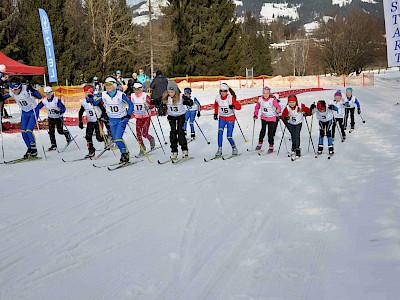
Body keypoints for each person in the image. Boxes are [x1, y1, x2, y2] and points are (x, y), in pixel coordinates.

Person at [93, 76, 134, 163]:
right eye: (106, 85)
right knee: (115, 139)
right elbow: (95, 102)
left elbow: (131, 105)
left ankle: (125, 154)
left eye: (110, 85)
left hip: (121, 120)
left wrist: (127, 116)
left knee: (118, 138)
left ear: (114, 86)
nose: (108, 87)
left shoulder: (120, 95)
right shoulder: (104, 94)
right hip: (112, 120)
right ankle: (123, 153)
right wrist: (90, 99)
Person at [2, 77, 42, 158]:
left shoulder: (26, 89)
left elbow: (39, 96)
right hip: (24, 112)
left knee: (28, 131)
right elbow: (3, 98)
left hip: (33, 111)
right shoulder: (12, 91)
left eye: (16, 89)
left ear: (20, 87)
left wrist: (33, 90)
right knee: (23, 132)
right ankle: (29, 149)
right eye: (12, 89)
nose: (14, 91)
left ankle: (34, 149)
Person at [162, 80, 193, 159]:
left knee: (180, 132)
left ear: (175, 91)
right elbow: (157, 101)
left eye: (172, 92)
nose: (170, 94)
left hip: (180, 116)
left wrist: (188, 102)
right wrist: (152, 103)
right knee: (173, 133)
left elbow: (190, 101)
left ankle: (184, 150)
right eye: (169, 92)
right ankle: (174, 151)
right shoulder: (166, 97)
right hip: (171, 117)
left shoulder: (181, 96)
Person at [78, 85, 110, 158]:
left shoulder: (96, 100)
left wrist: (104, 117)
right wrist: (80, 121)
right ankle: (91, 150)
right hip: (90, 121)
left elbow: (103, 110)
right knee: (88, 136)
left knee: (98, 138)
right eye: (85, 92)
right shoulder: (84, 102)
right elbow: (80, 112)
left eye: (88, 92)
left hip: (97, 121)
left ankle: (105, 139)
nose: (86, 94)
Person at [36, 86, 72, 151]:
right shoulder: (44, 101)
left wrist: (59, 111)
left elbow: (63, 108)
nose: (48, 95)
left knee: (60, 131)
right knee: (51, 132)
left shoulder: (56, 100)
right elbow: (38, 107)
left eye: (49, 93)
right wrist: (34, 110)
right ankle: (53, 145)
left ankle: (67, 134)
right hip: (51, 117)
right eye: (46, 93)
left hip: (58, 117)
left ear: (51, 93)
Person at [213, 83, 242, 157]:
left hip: (230, 118)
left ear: (227, 91)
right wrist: (216, 113)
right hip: (222, 118)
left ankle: (234, 148)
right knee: (220, 133)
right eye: (221, 91)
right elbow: (216, 105)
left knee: (229, 136)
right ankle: (219, 149)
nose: (223, 93)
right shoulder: (217, 98)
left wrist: (233, 106)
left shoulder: (230, 98)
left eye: (225, 91)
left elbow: (239, 107)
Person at [253, 86, 281, 153]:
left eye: (267, 93)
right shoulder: (260, 99)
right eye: (264, 93)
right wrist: (255, 114)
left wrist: (278, 110)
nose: (265, 94)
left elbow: (278, 106)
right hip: (264, 117)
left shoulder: (272, 100)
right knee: (262, 130)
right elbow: (257, 107)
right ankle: (260, 143)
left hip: (271, 118)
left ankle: (271, 146)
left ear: (269, 94)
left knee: (270, 133)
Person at [131, 82, 155, 156]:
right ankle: (142, 148)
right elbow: (128, 102)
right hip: (138, 117)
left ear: (141, 89)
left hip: (146, 117)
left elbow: (152, 104)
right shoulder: (132, 96)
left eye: (138, 89)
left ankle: (151, 138)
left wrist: (149, 106)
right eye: (135, 89)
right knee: (138, 134)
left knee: (144, 133)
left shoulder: (145, 96)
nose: (136, 91)